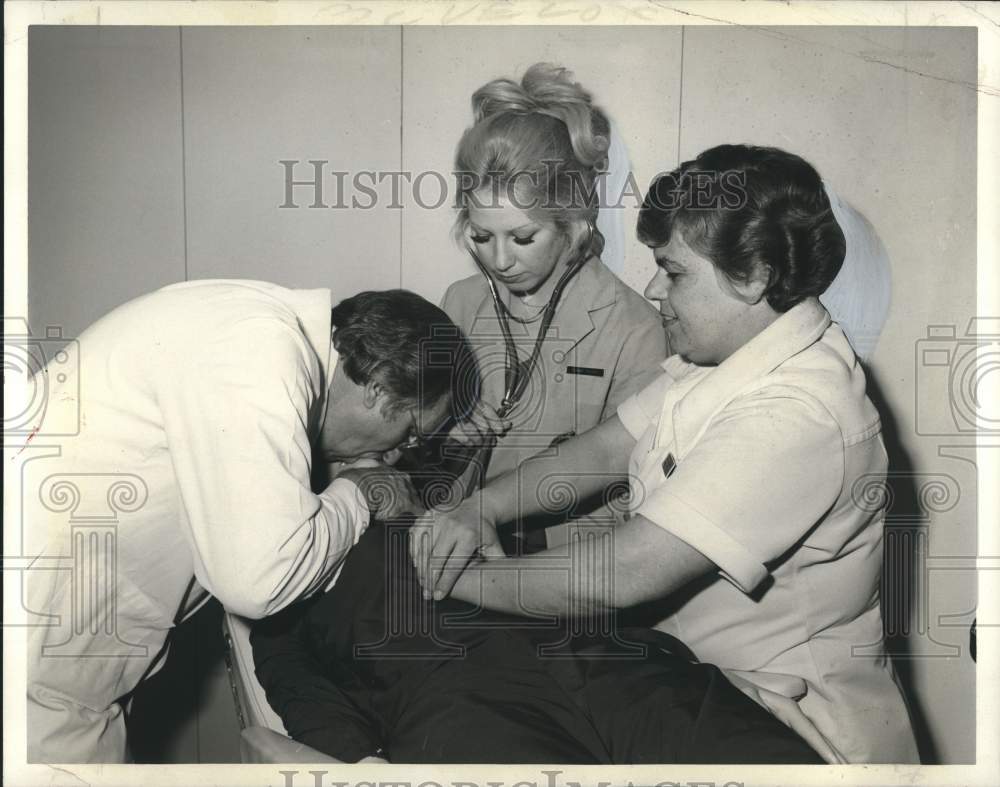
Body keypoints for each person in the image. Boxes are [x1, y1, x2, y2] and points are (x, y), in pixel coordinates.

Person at [413, 145, 920, 764]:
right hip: (691, 686)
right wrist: (481, 509)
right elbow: (600, 451)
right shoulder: (727, 354)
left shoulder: (798, 410)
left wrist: (458, 579)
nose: (654, 288)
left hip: (787, 727)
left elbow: (628, 572)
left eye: (674, 271)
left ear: (754, 275)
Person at [24, 280, 471, 763]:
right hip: (37, 673)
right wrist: (358, 492)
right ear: (380, 388)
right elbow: (258, 582)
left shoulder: (250, 333)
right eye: (408, 434)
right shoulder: (259, 349)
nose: (394, 455)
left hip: (65, 665)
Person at [251, 517, 822, 764]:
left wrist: (686, 663)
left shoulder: (459, 515)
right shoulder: (284, 587)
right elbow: (300, 689)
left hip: (610, 666)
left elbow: (582, 588)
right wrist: (364, 763)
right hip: (462, 700)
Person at [426, 63, 666, 549]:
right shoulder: (459, 303)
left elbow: (631, 496)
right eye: (480, 236)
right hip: (449, 545)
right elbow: (413, 451)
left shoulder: (636, 330)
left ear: (573, 221)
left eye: (522, 237)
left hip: (561, 570)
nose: (499, 260)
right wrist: (447, 438)